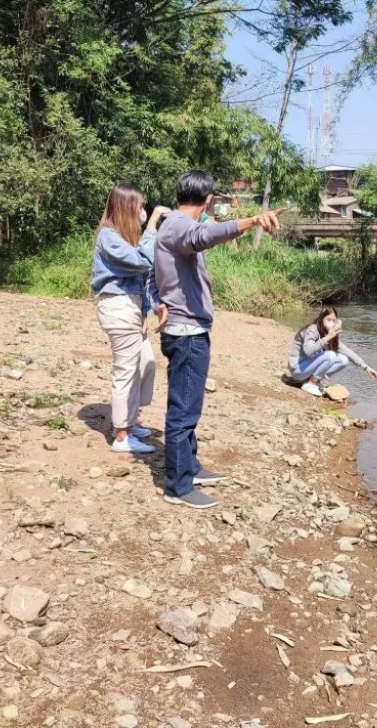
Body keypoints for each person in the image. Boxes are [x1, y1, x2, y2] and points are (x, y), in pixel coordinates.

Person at [148, 170, 283, 509]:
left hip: (187, 329)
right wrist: (252, 220)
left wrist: (156, 303)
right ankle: (177, 487)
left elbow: (152, 274)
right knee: (183, 410)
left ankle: (189, 467)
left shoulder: (173, 225)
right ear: (208, 200)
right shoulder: (180, 225)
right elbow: (204, 236)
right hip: (187, 333)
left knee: (190, 405)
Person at [91, 184, 168, 453]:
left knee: (145, 363)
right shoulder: (109, 237)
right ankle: (122, 436)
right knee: (126, 370)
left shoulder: (124, 237)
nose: (143, 211)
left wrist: (147, 310)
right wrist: (153, 226)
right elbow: (142, 262)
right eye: (140, 206)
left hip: (131, 307)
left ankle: (130, 422)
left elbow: (140, 278)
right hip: (117, 306)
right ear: (126, 207)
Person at [287, 306, 377, 396]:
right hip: (297, 369)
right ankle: (310, 383)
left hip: (306, 369)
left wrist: (366, 367)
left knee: (343, 360)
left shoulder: (327, 332)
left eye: (334, 321)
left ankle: (315, 380)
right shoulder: (312, 329)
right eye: (328, 319)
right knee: (330, 355)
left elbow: (345, 350)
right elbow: (308, 351)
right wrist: (327, 338)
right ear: (321, 319)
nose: (331, 323)